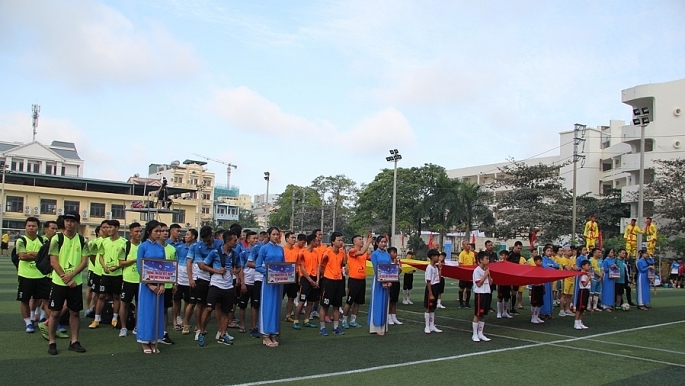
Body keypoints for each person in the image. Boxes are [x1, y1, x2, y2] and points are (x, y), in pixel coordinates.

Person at [46, 212, 89, 355]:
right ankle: (52, 342)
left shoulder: (83, 240)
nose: (69, 223)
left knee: (75, 312)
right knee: (55, 312)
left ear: (77, 223)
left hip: (75, 283)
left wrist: (72, 276)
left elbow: (84, 262)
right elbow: (53, 261)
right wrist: (66, 277)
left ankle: (74, 341)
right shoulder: (56, 239)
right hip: (59, 282)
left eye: (72, 221)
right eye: (67, 221)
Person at [198, 230, 240, 346]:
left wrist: (235, 271)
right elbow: (203, 266)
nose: (237, 242)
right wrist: (216, 271)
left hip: (228, 286)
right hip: (216, 284)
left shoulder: (235, 254)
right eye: (234, 240)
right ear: (227, 241)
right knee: (209, 308)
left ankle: (223, 334)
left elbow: (239, 267)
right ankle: (201, 333)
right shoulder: (215, 252)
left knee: (226, 311)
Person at [187, 226, 222, 341]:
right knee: (200, 304)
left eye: (208, 239)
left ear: (212, 235)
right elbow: (201, 266)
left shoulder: (220, 244)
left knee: (217, 305)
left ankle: (221, 331)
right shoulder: (197, 246)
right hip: (203, 278)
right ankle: (199, 328)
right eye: (204, 240)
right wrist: (191, 279)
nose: (206, 242)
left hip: (217, 279)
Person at [136, 220, 166, 354]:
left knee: (157, 311)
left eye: (160, 231)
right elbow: (139, 267)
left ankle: (154, 340)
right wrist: (150, 285)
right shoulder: (143, 247)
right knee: (146, 311)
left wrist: (162, 284)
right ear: (149, 232)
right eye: (157, 231)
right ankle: (144, 341)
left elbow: (165, 267)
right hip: (146, 285)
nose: (159, 233)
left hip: (159, 284)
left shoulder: (161, 248)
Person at [15, 217, 49, 333]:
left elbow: (47, 256)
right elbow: (22, 256)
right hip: (25, 275)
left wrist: (31, 254)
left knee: (45, 299)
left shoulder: (43, 241)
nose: (31, 228)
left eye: (33, 226)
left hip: (41, 274)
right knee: (24, 299)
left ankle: (48, 320)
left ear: (38, 227)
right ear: (25, 227)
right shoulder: (21, 240)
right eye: (29, 226)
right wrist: (38, 255)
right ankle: (28, 322)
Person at [91, 219, 126, 329]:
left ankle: (114, 318)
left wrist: (118, 267)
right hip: (105, 274)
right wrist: (104, 267)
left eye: (111, 227)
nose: (109, 229)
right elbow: (100, 255)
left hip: (118, 274)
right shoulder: (103, 241)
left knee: (116, 296)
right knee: (101, 296)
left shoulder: (124, 242)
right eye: (107, 227)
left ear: (117, 228)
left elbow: (125, 259)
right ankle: (96, 319)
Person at [255, 227, 285, 347]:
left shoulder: (281, 249)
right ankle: (266, 335)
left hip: (278, 282)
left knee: (276, 306)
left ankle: (273, 333)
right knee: (267, 306)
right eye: (273, 234)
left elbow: (284, 265)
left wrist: (283, 275)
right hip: (268, 282)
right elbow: (257, 266)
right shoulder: (264, 248)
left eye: (277, 234)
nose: (276, 236)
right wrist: (268, 273)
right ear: (269, 235)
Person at [319, 231, 346, 336]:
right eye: (339, 240)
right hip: (328, 281)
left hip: (338, 281)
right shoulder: (327, 252)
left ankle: (336, 327)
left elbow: (344, 263)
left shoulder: (341, 252)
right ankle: (322, 328)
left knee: (336, 306)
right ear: (333, 241)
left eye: (341, 240)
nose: (341, 242)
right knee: (325, 306)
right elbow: (321, 266)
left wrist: (344, 250)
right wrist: (326, 276)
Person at [342, 233, 372, 328]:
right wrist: (368, 242)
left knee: (358, 302)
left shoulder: (364, 253)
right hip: (354, 280)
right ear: (354, 242)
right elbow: (362, 252)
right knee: (349, 301)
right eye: (360, 239)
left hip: (362, 280)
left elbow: (370, 256)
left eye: (362, 239)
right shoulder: (352, 251)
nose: (361, 241)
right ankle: (344, 320)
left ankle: (353, 320)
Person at [118, 222, 142, 337]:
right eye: (136, 231)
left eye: (140, 231)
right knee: (125, 304)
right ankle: (123, 327)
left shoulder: (143, 245)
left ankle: (137, 327)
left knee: (139, 304)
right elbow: (121, 262)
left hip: (141, 280)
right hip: (128, 279)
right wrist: (134, 260)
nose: (139, 233)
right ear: (130, 233)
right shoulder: (125, 246)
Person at [292, 234, 320, 330]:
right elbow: (302, 268)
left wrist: (317, 280)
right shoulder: (302, 252)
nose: (318, 242)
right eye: (316, 241)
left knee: (311, 301)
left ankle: (306, 320)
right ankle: (296, 321)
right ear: (312, 241)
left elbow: (318, 266)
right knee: (302, 301)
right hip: (306, 279)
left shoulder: (316, 252)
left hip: (314, 278)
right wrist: (310, 280)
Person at [174, 228, 196, 335]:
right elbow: (175, 262)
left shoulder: (196, 248)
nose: (185, 236)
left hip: (190, 280)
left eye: (188, 234)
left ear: (193, 237)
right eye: (185, 234)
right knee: (176, 300)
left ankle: (185, 321)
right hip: (179, 279)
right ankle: (175, 320)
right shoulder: (179, 248)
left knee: (189, 301)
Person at [369, 236, 392, 335]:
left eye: (385, 242)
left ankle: (384, 325)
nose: (383, 244)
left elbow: (390, 268)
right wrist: (382, 282)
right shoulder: (374, 254)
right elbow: (375, 268)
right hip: (378, 281)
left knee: (385, 302)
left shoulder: (387, 255)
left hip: (387, 280)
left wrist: (390, 280)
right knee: (377, 302)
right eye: (381, 242)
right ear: (377, 243)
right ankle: (376, 326)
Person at [238, 231, 259, 334]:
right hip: (246, 282)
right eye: (253, 238)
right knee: (243, 306)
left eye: (257, 238)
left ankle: (254, 326)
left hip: (257, 283)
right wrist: (242, 283)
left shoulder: (260, 252)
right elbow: (241, 269)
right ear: (248, 240)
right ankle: (242, 325)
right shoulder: (243, 253)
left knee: (255, 305)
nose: (256, 240)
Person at [472, 251, 492, 342]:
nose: (488, 260)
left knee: (484, 314)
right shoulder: (477, 271)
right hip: (480, 293)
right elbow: (479, 284)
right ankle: (474, 334)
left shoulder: (486, 270)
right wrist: (485, 275)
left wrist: (489, 275)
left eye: (488, 259)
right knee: (478, 314)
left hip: (487, 292)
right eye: (486, 259)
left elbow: (491, 283)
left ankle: (481, 333)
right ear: (480, 260)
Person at [282, 232, 300, 322]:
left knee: (292, 296)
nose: (294, 239)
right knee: (280, 296)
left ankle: (288, 315)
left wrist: (299, 276)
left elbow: (299, 264)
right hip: (284, 275)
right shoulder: (282, 250)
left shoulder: (297, 250)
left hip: (294, 275)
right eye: (292, 237)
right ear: (287, 239)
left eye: (295, 237)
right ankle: (275, 314)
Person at [423, 249, 442, 334]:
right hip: (431, 288)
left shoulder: (436, 267)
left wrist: (440, 269)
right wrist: (430, 293)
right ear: (432, 257)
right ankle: (427, 326)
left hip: (436, 287)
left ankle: (432, 325)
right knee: (428, 307)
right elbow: (428, 281)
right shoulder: (429, 268)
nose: (438, 258)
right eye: (437, 256)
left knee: (433, 308)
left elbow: (439, 278)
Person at [540, 246, 560, 319]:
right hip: (544, 280)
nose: (549, 252)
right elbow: (545, 266)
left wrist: (551, 266)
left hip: (549, 280)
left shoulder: (551, 260)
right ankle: (542, 313)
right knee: (544, 296)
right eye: (548, 251)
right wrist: (552, 267)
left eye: (550, 251)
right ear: (544, 252)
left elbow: (557, 266)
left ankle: (548, 312)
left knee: (549, 296)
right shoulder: (542, 259)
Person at [506, 241, 523, 315]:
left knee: (514, 292)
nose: (519, 250)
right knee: (507, 293)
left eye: (520, 248)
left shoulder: (519, 255)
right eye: (518, 248)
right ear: (515, 246)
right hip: (509, 275)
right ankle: (506, 309)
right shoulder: (510, 254)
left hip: (515, 275)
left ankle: (512, 308)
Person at [387, 246, 403, 325]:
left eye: (396, 252)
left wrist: (397, 266)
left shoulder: (398, 261)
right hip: (390, 282)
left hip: (396, 282)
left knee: (394, 301)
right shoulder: (387, 261)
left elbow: (399, 272)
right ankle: (389, 317)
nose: (395, 254)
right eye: (393, 252)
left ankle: (394, 317)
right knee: (389, 300)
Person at [574, 260, 591, 330]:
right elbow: (584, 284)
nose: (589, 267)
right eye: (588, 265)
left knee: (583, 308)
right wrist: (589, 278)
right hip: (582, 291)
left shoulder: (587, 274)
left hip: (586, 291)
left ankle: (580, 322)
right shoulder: (583, 274)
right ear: (583, 266)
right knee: (579, 307)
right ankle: (576, 322)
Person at [458, 242, 476, 308]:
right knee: (461, 288)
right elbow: (460, 264)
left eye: (469, 244)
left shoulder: (472, 253)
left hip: (470, 274)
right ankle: (461, 303)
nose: (468, 246)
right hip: (463, 273)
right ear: (463, 246)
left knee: (469, 288)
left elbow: (474, 262)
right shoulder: (462, 254)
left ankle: (467, 303)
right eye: (467, 244)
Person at [530, 255, 545, 324]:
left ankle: (536, 316)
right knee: (534, 303)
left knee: (539, 303)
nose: (541, 262)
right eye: (539, 261)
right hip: (535, 287)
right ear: (535, 261)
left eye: (541, 261)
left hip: (540, 287)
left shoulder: (542, 269)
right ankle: (533, 317)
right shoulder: (533, 269)